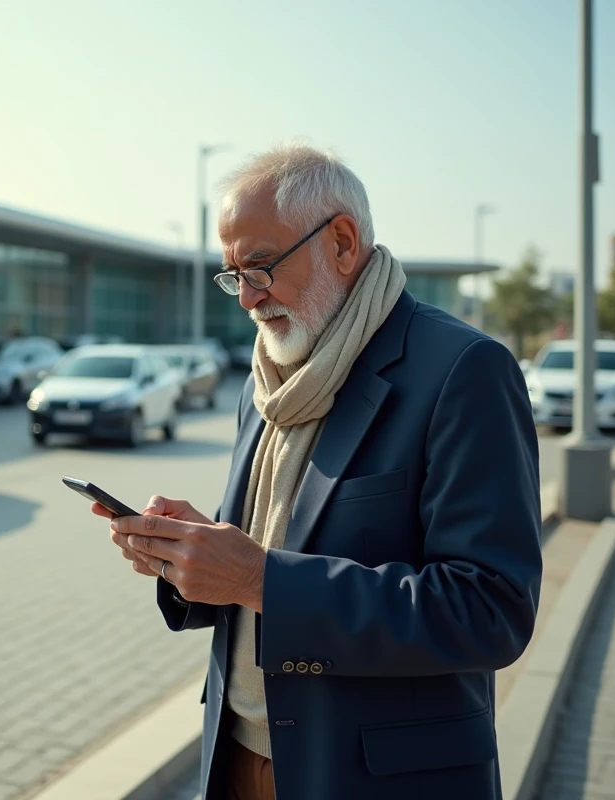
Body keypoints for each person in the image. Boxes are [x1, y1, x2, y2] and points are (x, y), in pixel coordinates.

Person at [94, 143, 542, 799]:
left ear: (341, 241)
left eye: (261, 266)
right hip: (239, 759)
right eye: (232, 274)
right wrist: (193, 560)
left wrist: (260, 579)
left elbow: (489, 609)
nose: (246, 298)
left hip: (375, 780)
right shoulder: (265, 378)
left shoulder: (461, 370)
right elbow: (277, 546)